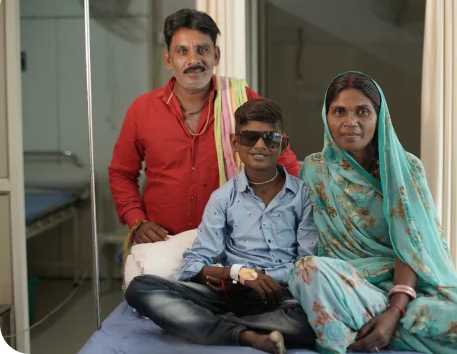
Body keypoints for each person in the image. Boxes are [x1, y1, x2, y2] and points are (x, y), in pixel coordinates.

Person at [288, 71, 457, 354]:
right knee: (307, 270)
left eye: (363, 111)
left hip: (404, 289)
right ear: (327, 117)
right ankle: (383, 329)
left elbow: (413, 247)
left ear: (380, 116)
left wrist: (395, 310)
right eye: (339, 111)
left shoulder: (406, 168)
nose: (350, 122)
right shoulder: (315, 169)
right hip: (348, 286)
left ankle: (370, 329)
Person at [125, 99, 318, 354]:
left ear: (283, 143)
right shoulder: (222, 198)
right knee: (141, 288)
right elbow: (194, 263)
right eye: (250, 138)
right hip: (229, 292)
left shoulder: (304, 195)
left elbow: (309, 262)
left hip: (280, 298)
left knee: (310, 324)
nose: (260, 146)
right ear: (234, 142)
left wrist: (268, 278)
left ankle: (205, 326)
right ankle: (246, 335)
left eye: (270, 138)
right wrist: (238, 274)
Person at [108, 9, 300, 243]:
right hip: (164, 243)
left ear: (216, 55)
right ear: (168, 59)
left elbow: (285, 162)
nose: (194, 60)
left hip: (235, 242)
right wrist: (136, 220)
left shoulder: (242, 101)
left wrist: (304, 217)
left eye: (203, 49)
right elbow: (121, 173)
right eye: (182, 51)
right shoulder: (142, 110)